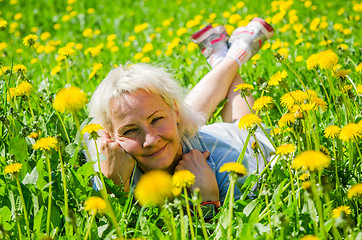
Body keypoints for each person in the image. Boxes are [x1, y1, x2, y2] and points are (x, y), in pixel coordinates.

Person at [86, 18, 275, 205]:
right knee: (154, 107)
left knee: (244, 123)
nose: (150, 140)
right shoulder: (110, 165)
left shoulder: (227, 163)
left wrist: (207, 199)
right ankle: (228, 54)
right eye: (129, 130)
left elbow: (233, 227)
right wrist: (112, 184)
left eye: (156, 120)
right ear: (109, 137)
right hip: (185, 133)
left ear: (177, 112)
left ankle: (233, 52)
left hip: (245, 141)